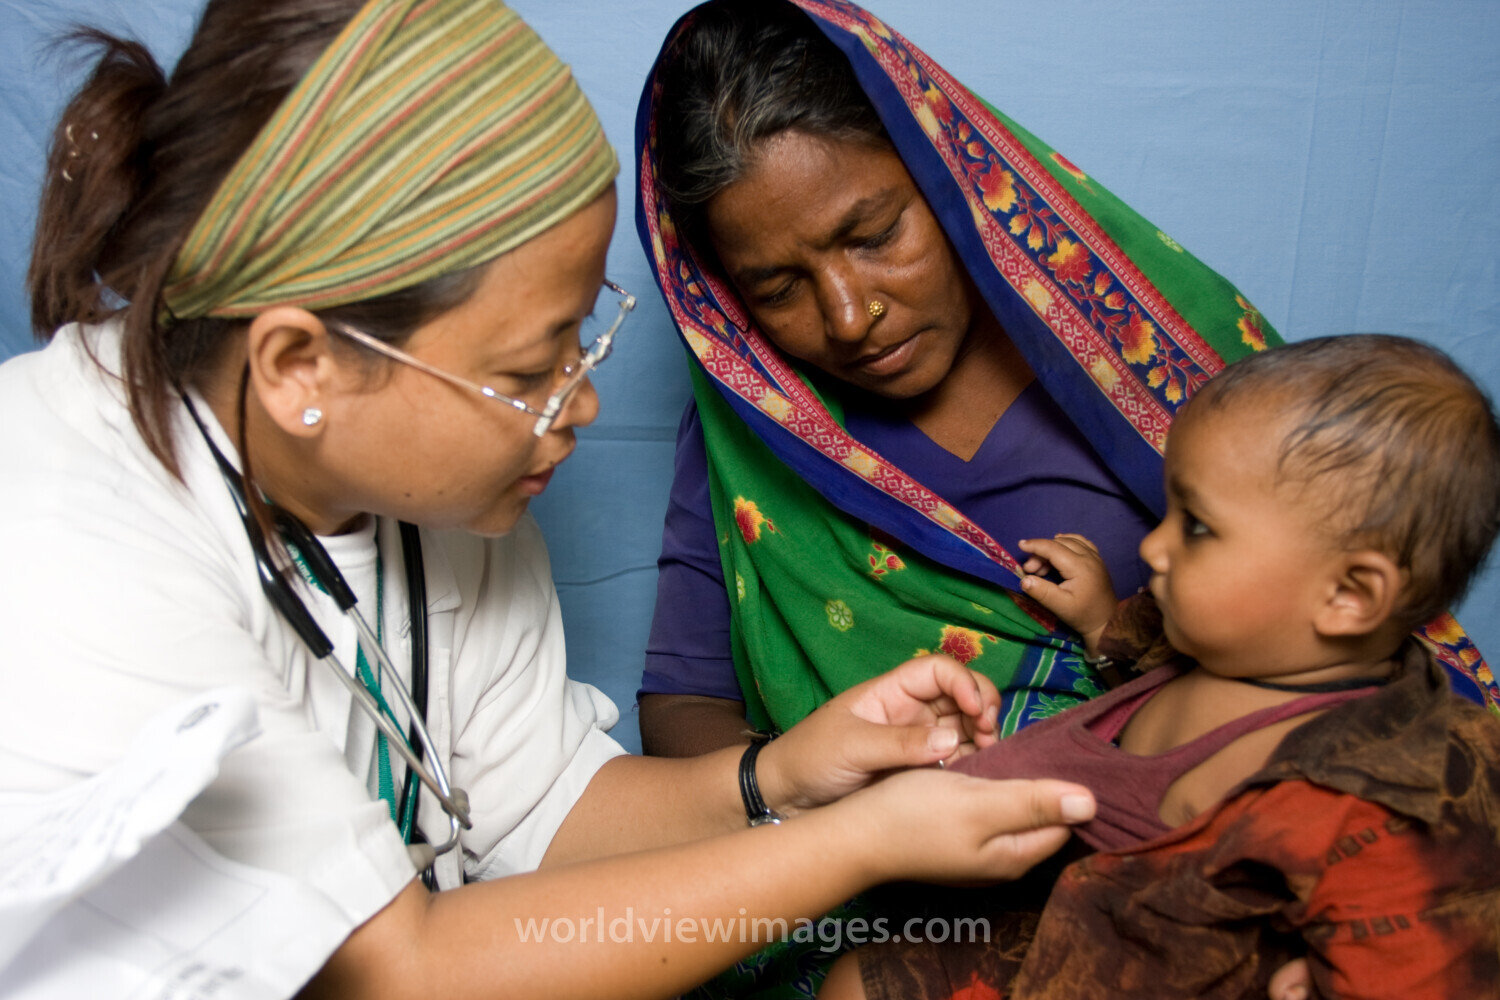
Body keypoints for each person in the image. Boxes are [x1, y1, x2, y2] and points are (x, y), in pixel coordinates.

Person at [0, 2, 1105, 996]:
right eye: (530, 369)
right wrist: (862, 843)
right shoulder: (59, 541)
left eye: (580, 336)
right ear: (301, 369)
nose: (575, 404)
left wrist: (786, 776)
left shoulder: (440, 492)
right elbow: (402, 970)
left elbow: (546, 815)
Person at [632, 0, 1496, 767]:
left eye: (876, 234)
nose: (851, 316)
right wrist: (833, 812)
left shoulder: (1153, 343)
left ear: (948, 177)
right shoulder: (758, 424)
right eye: (777, 290)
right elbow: (684, 706)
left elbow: (1348, 642)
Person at [825, 334, 1500, 1000]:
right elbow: (1140, 658)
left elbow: (1427, 954)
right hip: (1025, 923)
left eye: (1197, 527)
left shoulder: (1396, 792)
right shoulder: (1224, 646)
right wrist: (1098, 623)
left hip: (1118, 968)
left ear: (1349, 596)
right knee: (858, 980)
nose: (1153, 544)